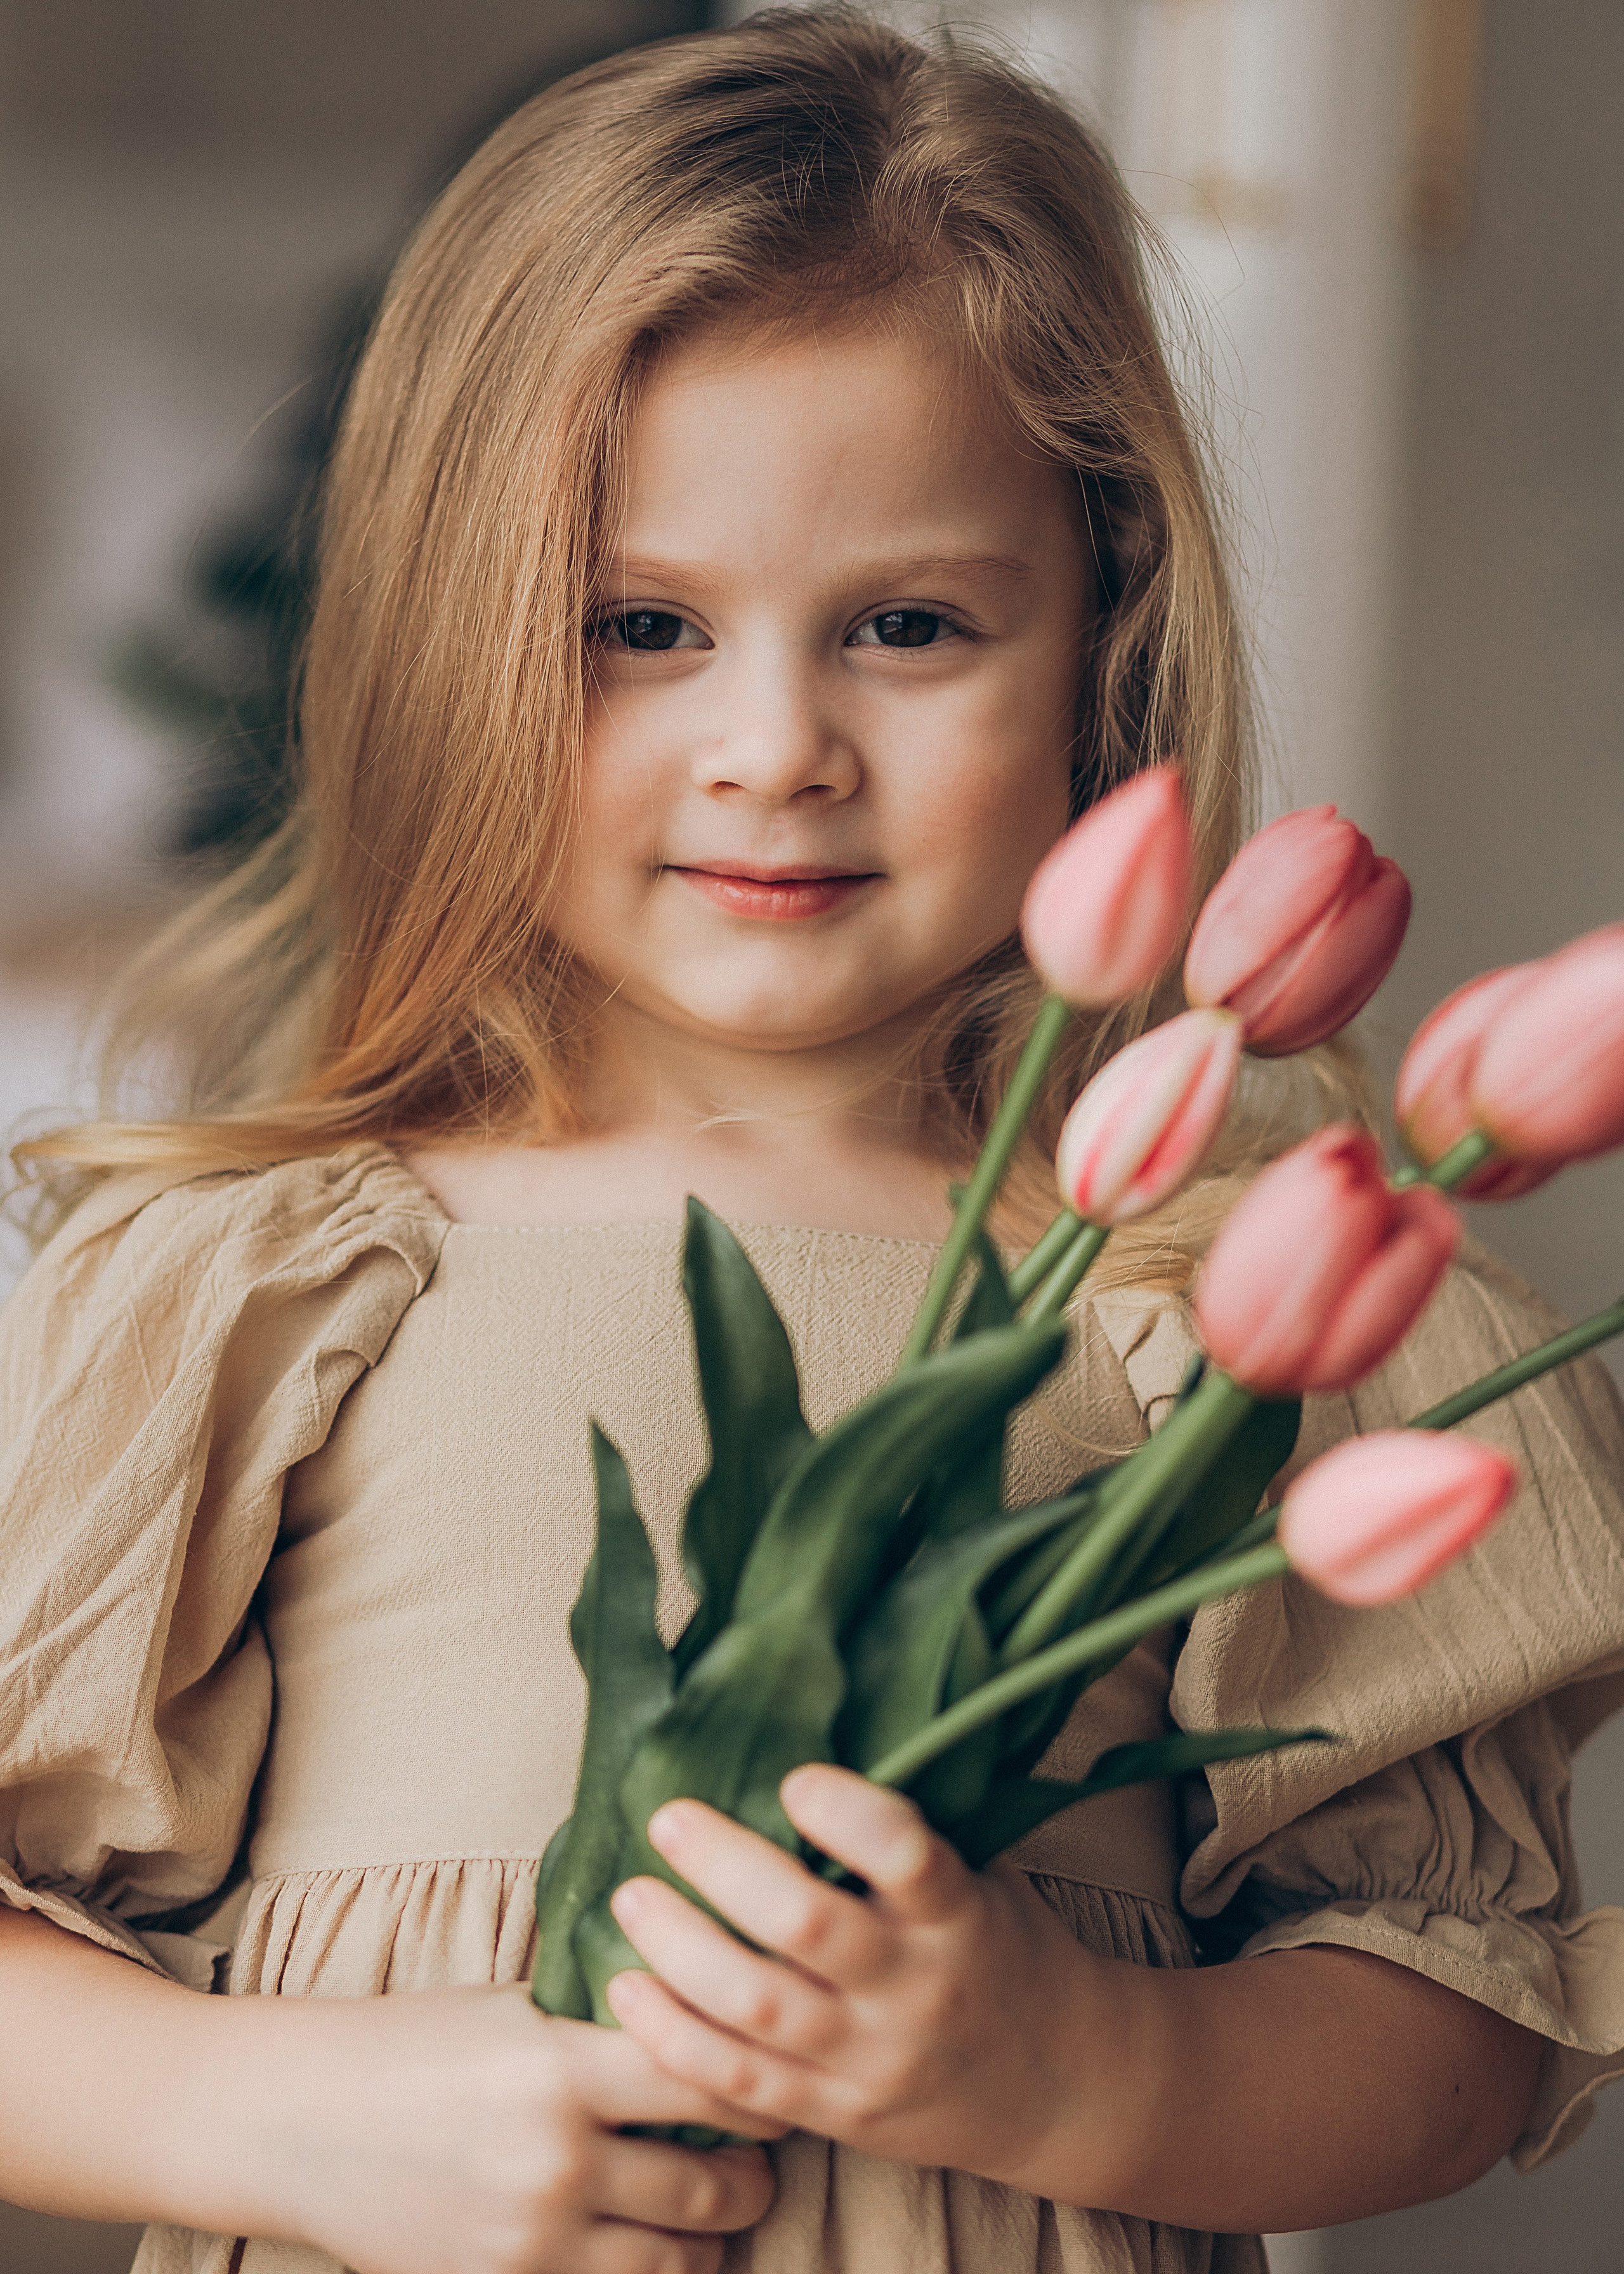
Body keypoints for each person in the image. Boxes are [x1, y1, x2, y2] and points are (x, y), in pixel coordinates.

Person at [3, 13, 1621, 2273]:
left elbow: (1447, 2009)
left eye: (908, 626)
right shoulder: (266, 1279)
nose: (776, 747)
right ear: (446, 649)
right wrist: (259, 2116)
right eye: (640, 627)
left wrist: (1074, 2067)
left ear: (1102, 650)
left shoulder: (1232, 1316)